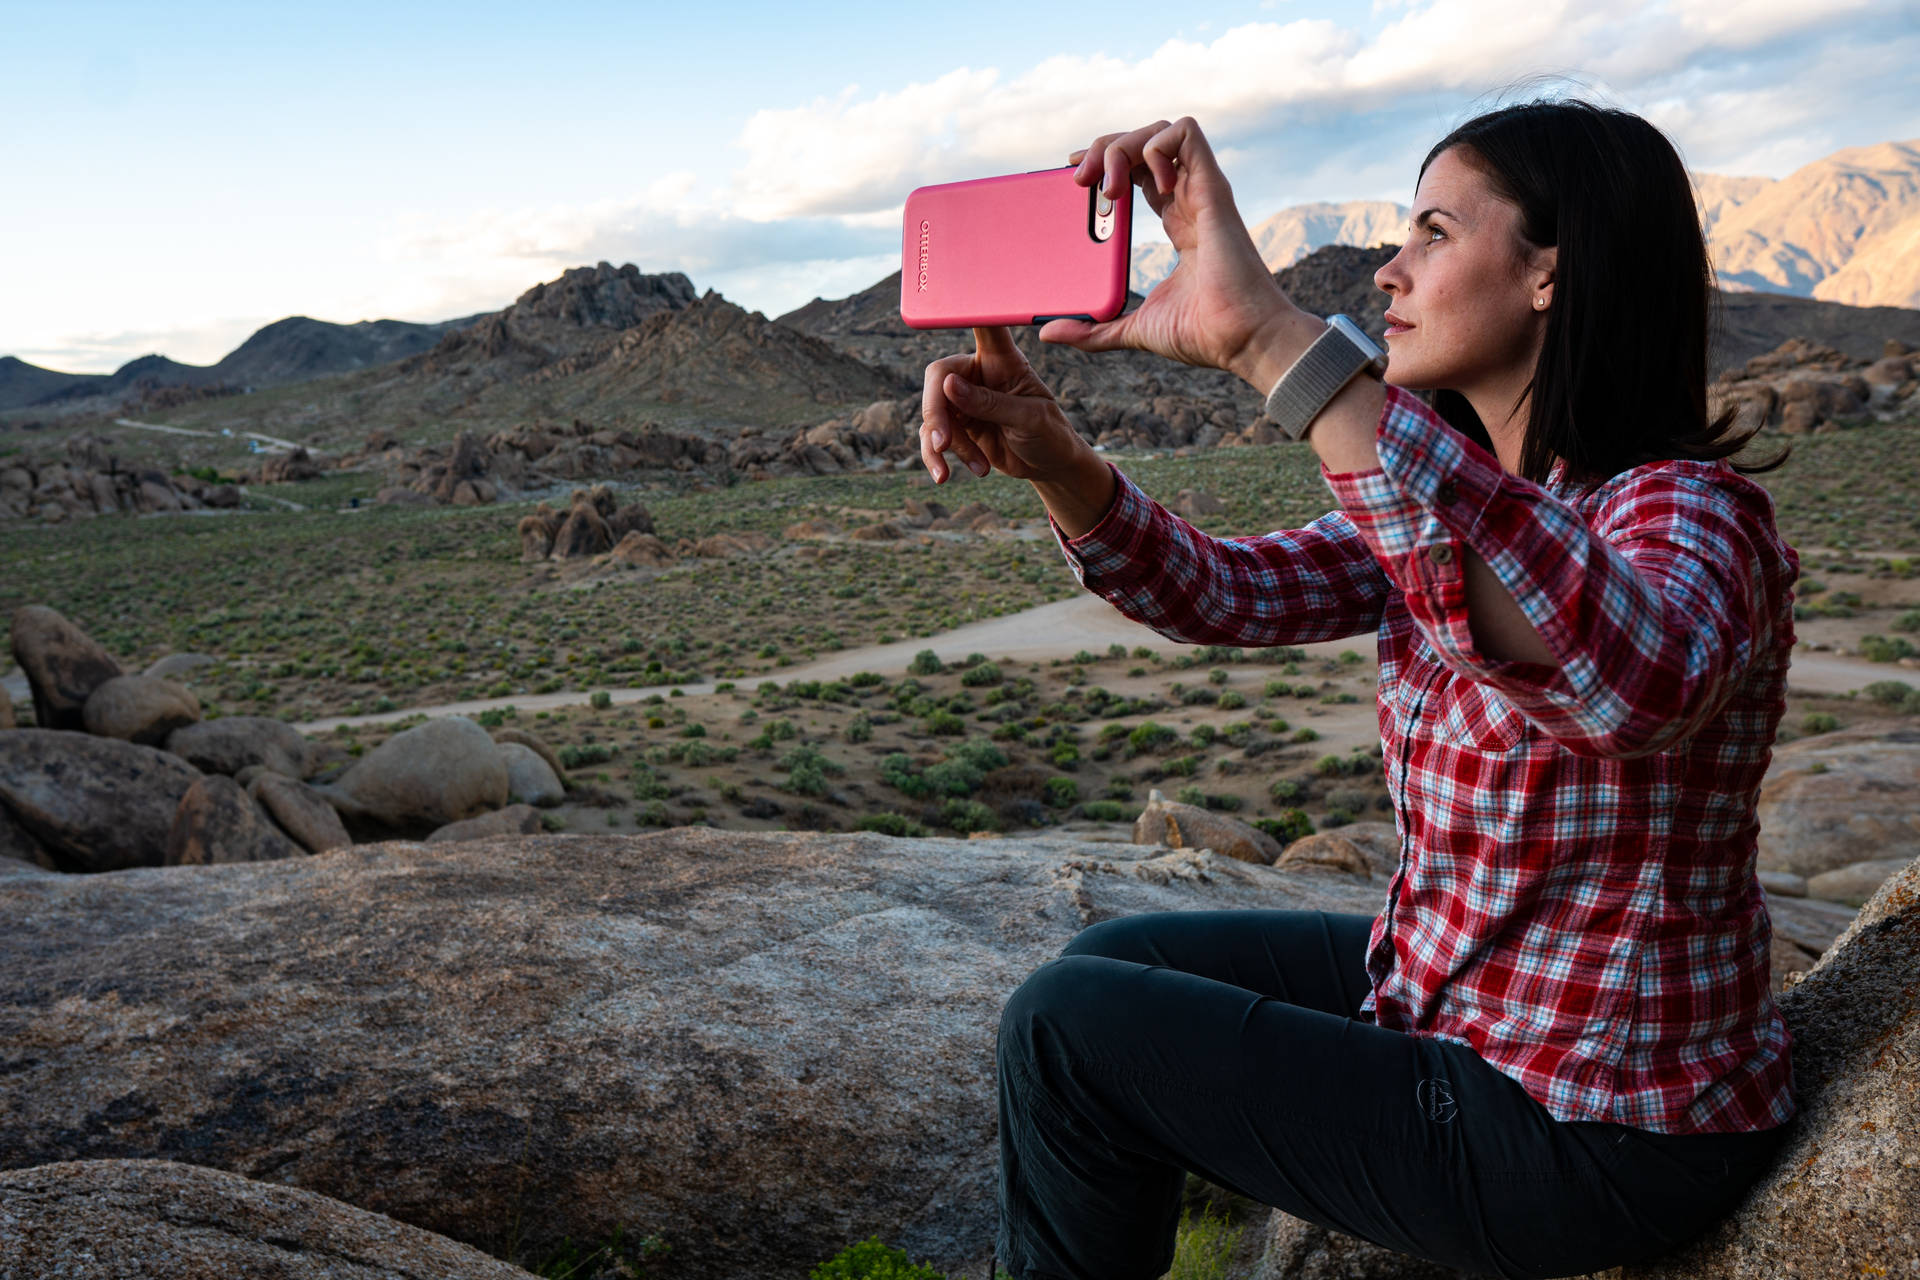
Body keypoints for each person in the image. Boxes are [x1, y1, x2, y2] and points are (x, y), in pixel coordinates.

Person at [917, 103, 1799, 1280]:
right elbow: (1226, 593)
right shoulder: (1457, 493)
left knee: (1071, 1035)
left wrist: (1273, 341)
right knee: (1112, 961)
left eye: (1433, 231)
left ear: (1552, 273)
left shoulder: (1688, 512)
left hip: (1598, 1119)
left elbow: (1624, 686)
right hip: (1476, 1008)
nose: (1389, 268)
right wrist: (1058, 463)